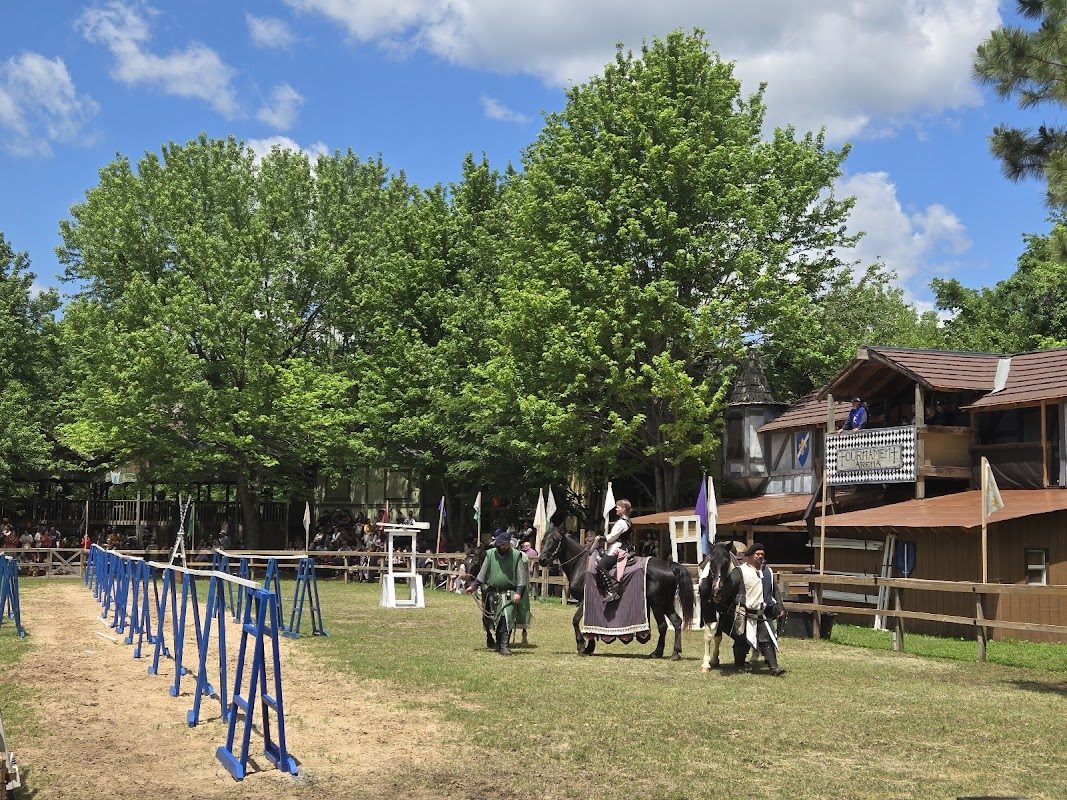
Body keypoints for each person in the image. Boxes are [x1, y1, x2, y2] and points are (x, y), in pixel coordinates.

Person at [720, 543, 785, 676]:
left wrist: (780, 606)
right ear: (748, 556)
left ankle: (774, 668)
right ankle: (739, 663)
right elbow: (729, 590)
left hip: (761, 613)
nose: (760, 557)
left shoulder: (767, 572)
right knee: (741, 640)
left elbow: (775, 591)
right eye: (757, 554)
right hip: (743, 613)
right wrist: (721, 600)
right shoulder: (740, 571)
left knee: (766, 639)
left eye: (762, 554)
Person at [466, 530, 529, 656]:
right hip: (493, 593)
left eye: (506, 545)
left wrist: (518, 592)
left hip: (509, 592)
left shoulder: (517, 556)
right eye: (502, 546)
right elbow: (482, 574)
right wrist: (473, 586)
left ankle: (504, 646)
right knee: (497, 620)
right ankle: (499, 643)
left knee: (507, 616)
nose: (504, 547)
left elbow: (522, 577)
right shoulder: (490, 555)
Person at [596, 499, 633, 603]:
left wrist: (600, 538)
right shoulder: (628, 521)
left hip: (618, 547)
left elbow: (611, 538)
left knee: (601, 566)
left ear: (624, 509)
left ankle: (612, 592)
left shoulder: (621, 522)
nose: (616, 508)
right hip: (624, 545)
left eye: (618, 506)